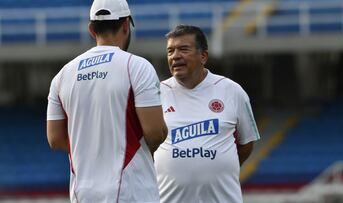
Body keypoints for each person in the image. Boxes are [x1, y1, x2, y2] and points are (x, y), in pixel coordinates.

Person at [46, 0, 167, 202]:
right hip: (131, 191)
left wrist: (94, 147)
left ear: (92, 29)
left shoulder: (62, 75)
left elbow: (54, 139)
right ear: (126, 25)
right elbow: (155, 132)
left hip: (83, 193)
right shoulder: (137, 66)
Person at [154, 25, 260, 203]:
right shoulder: (156, 94)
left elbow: (246, 143)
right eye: (170, 51)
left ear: (203, 56)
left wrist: (220, 168)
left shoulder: (232, 91)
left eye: (183, 49)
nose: (175, 56)